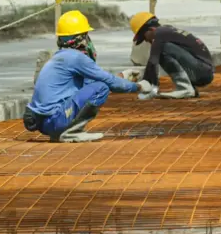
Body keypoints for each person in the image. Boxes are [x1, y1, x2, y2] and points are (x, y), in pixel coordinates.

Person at [23, 11, 150, 143]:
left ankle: (62, 132)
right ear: (80, 38)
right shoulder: (76, 57)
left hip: (45, 123)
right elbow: (105, 83)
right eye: (86, 36)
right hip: (56, 119)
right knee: (102, 88)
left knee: (99, 86)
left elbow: (91, 83)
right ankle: (72, 132)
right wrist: (139, 87)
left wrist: (122, 76)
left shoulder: (61, 57)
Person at [130, 12, 214, 99]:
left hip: (202, 71)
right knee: (160, 50)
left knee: (163, 48)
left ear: (151, 29)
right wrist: (146, 80)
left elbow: (153, 61)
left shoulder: (159, 34)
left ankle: (184, 88)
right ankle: (190, 88)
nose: (146, 41)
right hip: (203, 70)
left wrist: (153, 88)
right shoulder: (166, 30)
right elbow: (152, 62)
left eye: (144, 37)